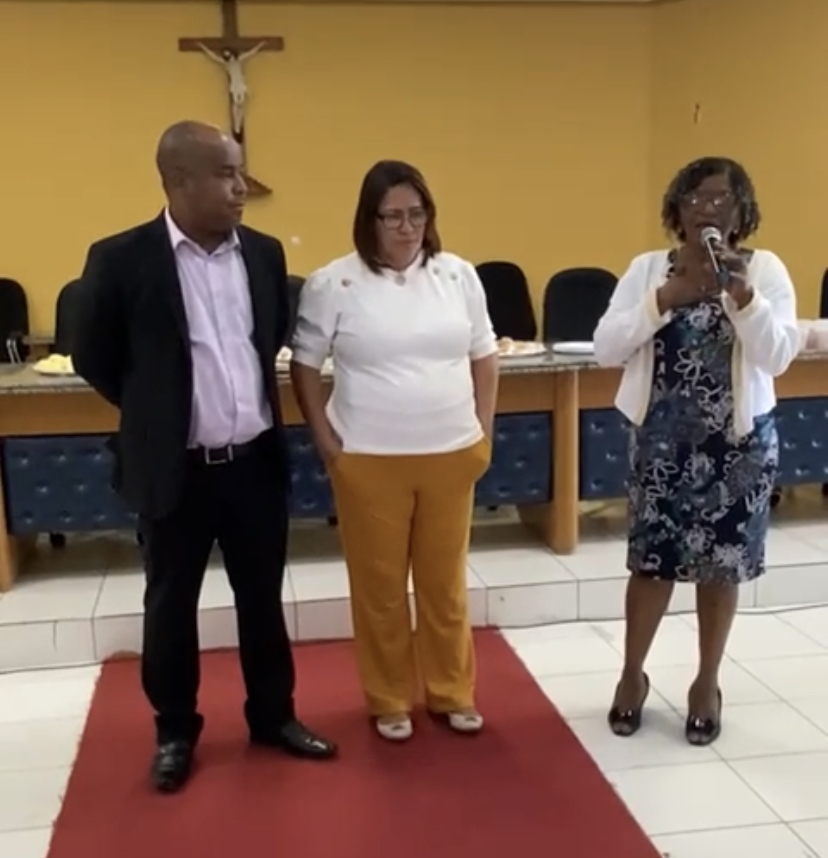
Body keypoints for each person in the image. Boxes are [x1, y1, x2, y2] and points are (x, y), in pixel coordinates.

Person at [73, 120, 336, 793]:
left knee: (262, 600)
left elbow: (268, 338)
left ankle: (273, 716)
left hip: (253, 464)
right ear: (178, 181)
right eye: (226, 174)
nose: (241, 186)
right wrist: (157, 415)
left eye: (239, 171)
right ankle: (174, 731)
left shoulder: (265, 256)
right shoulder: (120, 259)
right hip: (175, 470)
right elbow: (94, 357)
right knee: (170, 606)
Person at [290, 160, 498, 741]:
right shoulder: (334, 283)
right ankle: (388, 699)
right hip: (367, 460)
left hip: (452, 453)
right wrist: (327, 442)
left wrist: (483, 430)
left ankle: (452, 691)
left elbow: (484, 356)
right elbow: (304, 367)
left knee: (444, 585)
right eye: (393, 217)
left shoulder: (458, 276)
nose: (407, 228)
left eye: (417, 214)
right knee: (379, 589)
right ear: (369, 220)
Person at [593, 157, 799, 745]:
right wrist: (666, 297)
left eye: (721, 199)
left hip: (738, 448)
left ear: (742, 211)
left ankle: (706, 684)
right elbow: (607, 347)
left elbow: (778, 357)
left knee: (720, 569)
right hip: (660, 447)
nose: (707, 209)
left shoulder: (765, 270)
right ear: (676, 209)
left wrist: (745, 298)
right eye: (695, 198)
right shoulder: (647, 270)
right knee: (650, 567)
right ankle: (631, 676)